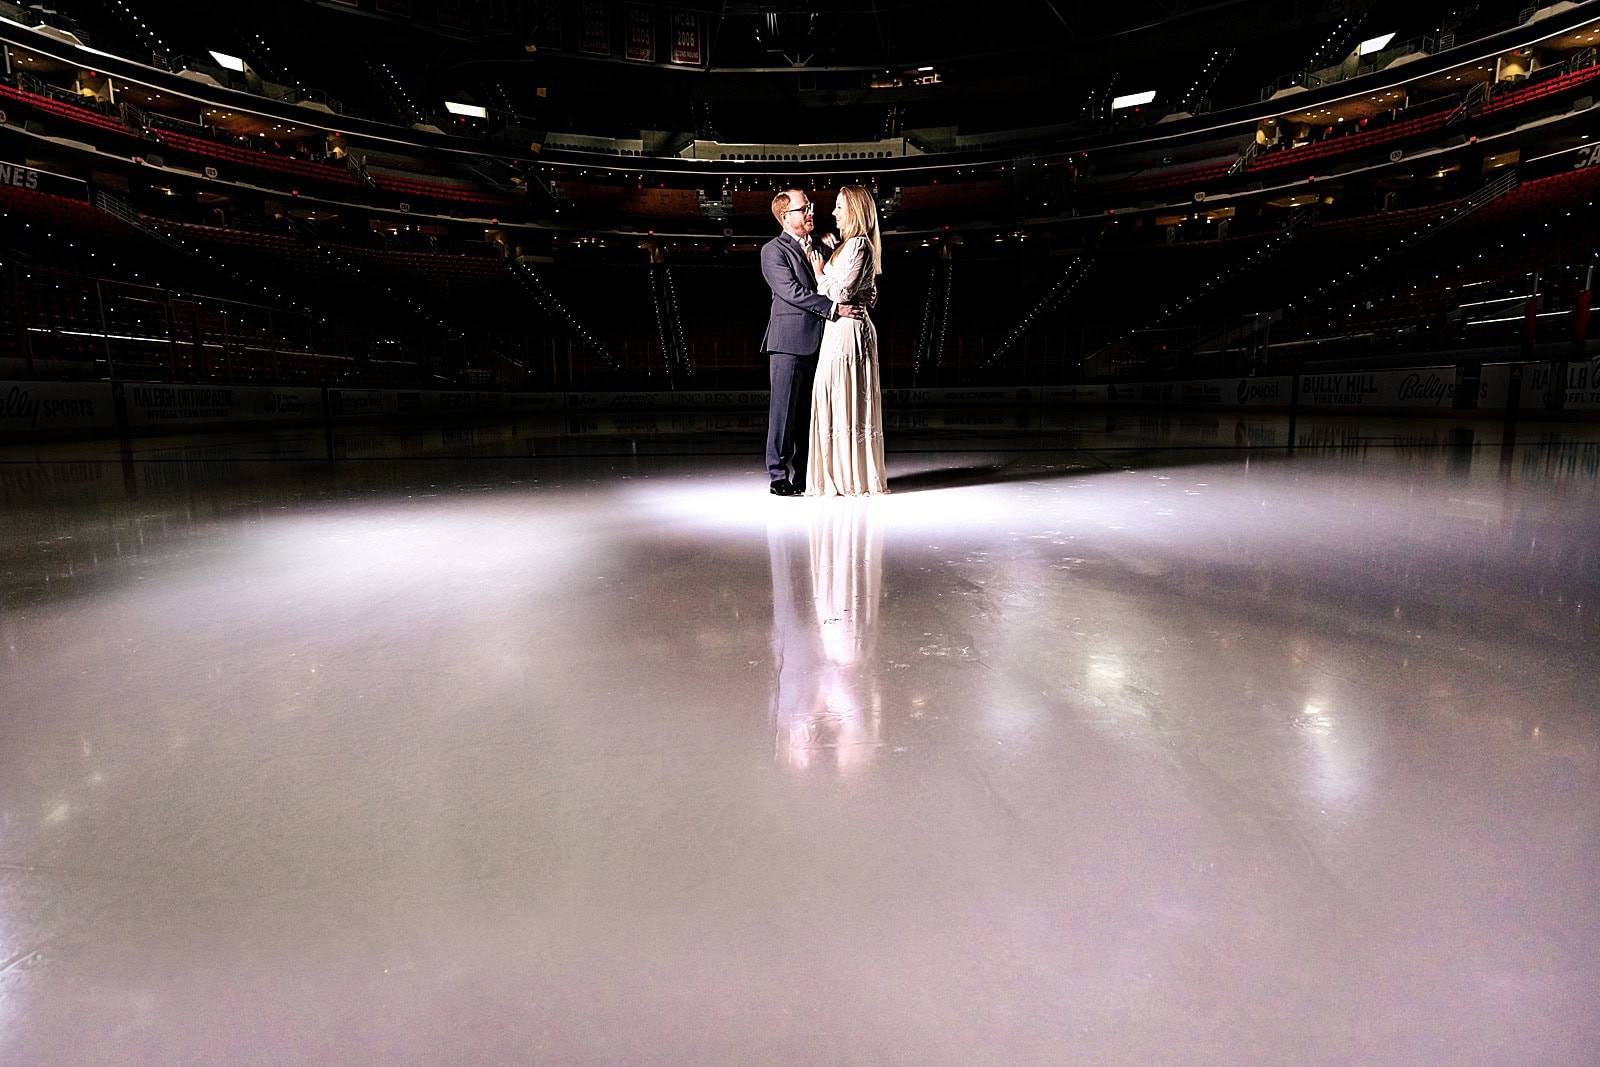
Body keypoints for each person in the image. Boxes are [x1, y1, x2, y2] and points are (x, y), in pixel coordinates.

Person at [760, 189, 863, 497]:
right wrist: (833, 309)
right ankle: (778, 475)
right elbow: (791, 291)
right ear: (785, 216)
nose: (810, 212)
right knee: (783, 412)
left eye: (810, 206)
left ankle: (805, 474)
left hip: (821, 342)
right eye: (803, 208)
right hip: (788, 342)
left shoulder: (820, 243)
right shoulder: (772, 250)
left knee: (809, 412)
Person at [806, 185, 888, 496]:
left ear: (853, 211)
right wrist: (832, 259)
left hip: (849, 332)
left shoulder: (859, 245)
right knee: (836, 395)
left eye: (840, 207)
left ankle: (847, 476)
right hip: (839, 329)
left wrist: (820, 271)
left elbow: (843, 293)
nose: (833, 213)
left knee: (845, 395)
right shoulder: (850, 245)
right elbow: (866, 291)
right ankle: (843, 473)